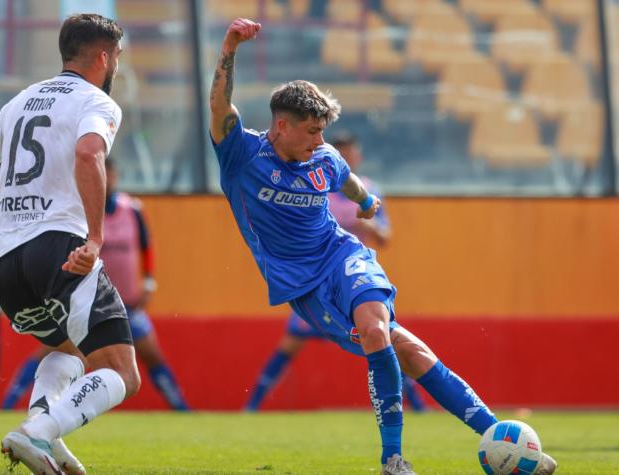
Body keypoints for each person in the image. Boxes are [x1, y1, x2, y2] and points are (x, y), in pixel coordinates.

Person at [208, 18, 557, 475]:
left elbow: (347, 180)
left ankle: (473, 446)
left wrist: (367, 202)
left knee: (376, 330)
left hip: (342, 255)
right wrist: (230, 46)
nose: (320, 141)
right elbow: (219, 105)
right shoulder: (242, 155)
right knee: (403, 347)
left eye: (323, 131)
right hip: (302, 284)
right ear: (282, 125)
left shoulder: (324, 158)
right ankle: (463, 442)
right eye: (312, 131)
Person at [0, 13, 136, 475]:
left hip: (1, 264)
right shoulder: (97, 101)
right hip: (57, 248)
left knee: (68, 353)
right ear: (103, 57)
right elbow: (89, 153)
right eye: (117, 57)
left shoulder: (20, 102)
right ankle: (37, 434)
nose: (116, 65)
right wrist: (96, 237)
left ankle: (42, 429)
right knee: (121, 371)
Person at [245, 131, 427, 413]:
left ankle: (417, 405)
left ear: (358, 157)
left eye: (349, 153)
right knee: (290, 344)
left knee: (382, 339)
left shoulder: (368, 190)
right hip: (317, 279)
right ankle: (252, 405)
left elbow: (385, 236)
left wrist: (369, 224)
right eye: (339, 152)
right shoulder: (317, 186)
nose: (344, 158)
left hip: (355, 279)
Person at [1, 159, 189, 412]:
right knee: (54, 352)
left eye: (109, 174)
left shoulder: (132, 209)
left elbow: (146, 247)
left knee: (150, 354)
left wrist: (148, 282)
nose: (106, 180)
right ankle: (10, 403)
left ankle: (181, 409)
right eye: (102, 175)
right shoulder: (79, 208)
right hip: (87, 300)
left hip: (128, 303)